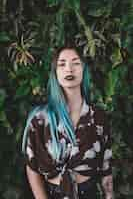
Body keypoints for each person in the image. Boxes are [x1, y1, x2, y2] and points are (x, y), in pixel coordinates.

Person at [22, 44, 114, 199]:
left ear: (83, 70)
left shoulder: (98, 117)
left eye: (75, 63)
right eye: (62, 64)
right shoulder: (40, 120)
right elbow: (32, 168)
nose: (69, 69)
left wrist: (110, 195)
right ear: (55, 73)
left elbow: (106, 166)